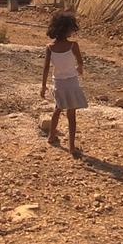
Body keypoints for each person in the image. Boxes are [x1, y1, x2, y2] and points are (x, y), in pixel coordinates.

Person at [40, 12, 88, 157]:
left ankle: (51, 136)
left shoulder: (50, 47)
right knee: (71, 115)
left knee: (57, 109)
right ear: (68, 29)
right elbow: (80, 62)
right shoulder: (73, 45)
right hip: (72, 83)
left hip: (58, 83)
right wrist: (80, 68)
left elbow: (46, 68)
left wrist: (43, 86)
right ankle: (72, 147)